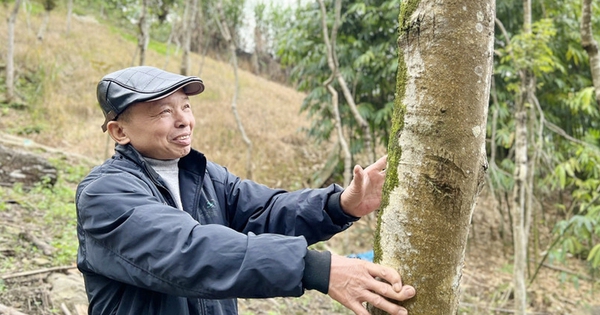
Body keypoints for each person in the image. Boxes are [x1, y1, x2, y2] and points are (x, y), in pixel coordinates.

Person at [75, 66, 415, 315]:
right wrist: (315, 269)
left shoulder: (206, 176)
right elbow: (189, 252)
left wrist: (338, 205)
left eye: (186, 107)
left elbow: (265, 211)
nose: (184, 121)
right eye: (164, 112)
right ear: (119, 132)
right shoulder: (104, 194)